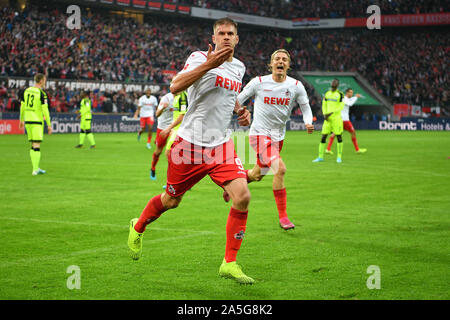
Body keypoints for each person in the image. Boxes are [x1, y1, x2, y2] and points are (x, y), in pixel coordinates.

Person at [127, 18, 254, 284]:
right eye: (222, 33)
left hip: (220, 145)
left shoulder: (240, 67)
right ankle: (138, 226)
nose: (227, 37)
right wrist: (210, 64)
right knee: (171, 201)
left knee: (242, 196)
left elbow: (230, 97)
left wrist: (241, 111)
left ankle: (229, 263)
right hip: (189, 145)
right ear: (214, 36)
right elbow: (175, 86)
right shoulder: (199, 57)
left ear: (237, 38)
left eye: (231, 33)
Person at [223, 49, 314, 230]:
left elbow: (305, 107)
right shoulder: (258, 82)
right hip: (259, 135)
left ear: (288, 65)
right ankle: (284, 217)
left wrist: (308, 122)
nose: (280, 61)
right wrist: (240, 112)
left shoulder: (296, 85)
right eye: (277, 59)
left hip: (278, 138)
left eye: (284, 59)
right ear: (271, 64)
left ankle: (230, 185)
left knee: (257, 175)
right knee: (280, 169)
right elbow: (238, 99)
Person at [19, 73, 53, 176]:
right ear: (41, 80)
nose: (45, 82)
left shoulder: (26, 91)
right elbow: (45, 110)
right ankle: (35, 170)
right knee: (37, 145)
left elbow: (22, 107)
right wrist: (49, 124)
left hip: (28, 121)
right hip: (37, 121)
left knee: (33, 145)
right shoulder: (42, 93)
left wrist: (21, 120)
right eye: (45, 80)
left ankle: (36, 167)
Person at [313, 79, 345, 163]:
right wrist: (324, 114)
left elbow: (341, 106)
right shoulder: (327, 94)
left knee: (338, 136)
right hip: (327, 119)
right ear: (331, 84)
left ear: (338, 85)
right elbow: (324, 104)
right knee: (323, 136)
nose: (333, 83)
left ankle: (339, 157)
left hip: (336, 118)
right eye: (333, 82)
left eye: (335, 82)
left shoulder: (340, 94)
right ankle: (320, 157)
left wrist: (331, 113)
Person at [326, 88, 366, 154]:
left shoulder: (345, 98)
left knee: (335, 133)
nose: (351, 94)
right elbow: (350, 104)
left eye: (352, 92)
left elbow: (350, 100)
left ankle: (328, 149)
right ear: (347, 93)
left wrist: (355, 97)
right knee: (353, 132)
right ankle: (357, 149)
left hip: (341, 119)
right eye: (350, 92)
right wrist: (356, 97)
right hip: (344, 120)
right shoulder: (344, 98)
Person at [150, 91, 175, 180]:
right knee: (159, 151)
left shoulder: (184, 97)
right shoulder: (166, 99)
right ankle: (153, 167)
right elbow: (157, 114)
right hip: (163, 127)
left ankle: (177, 178)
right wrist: (163, 108)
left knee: (175, 153)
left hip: (174, 127)